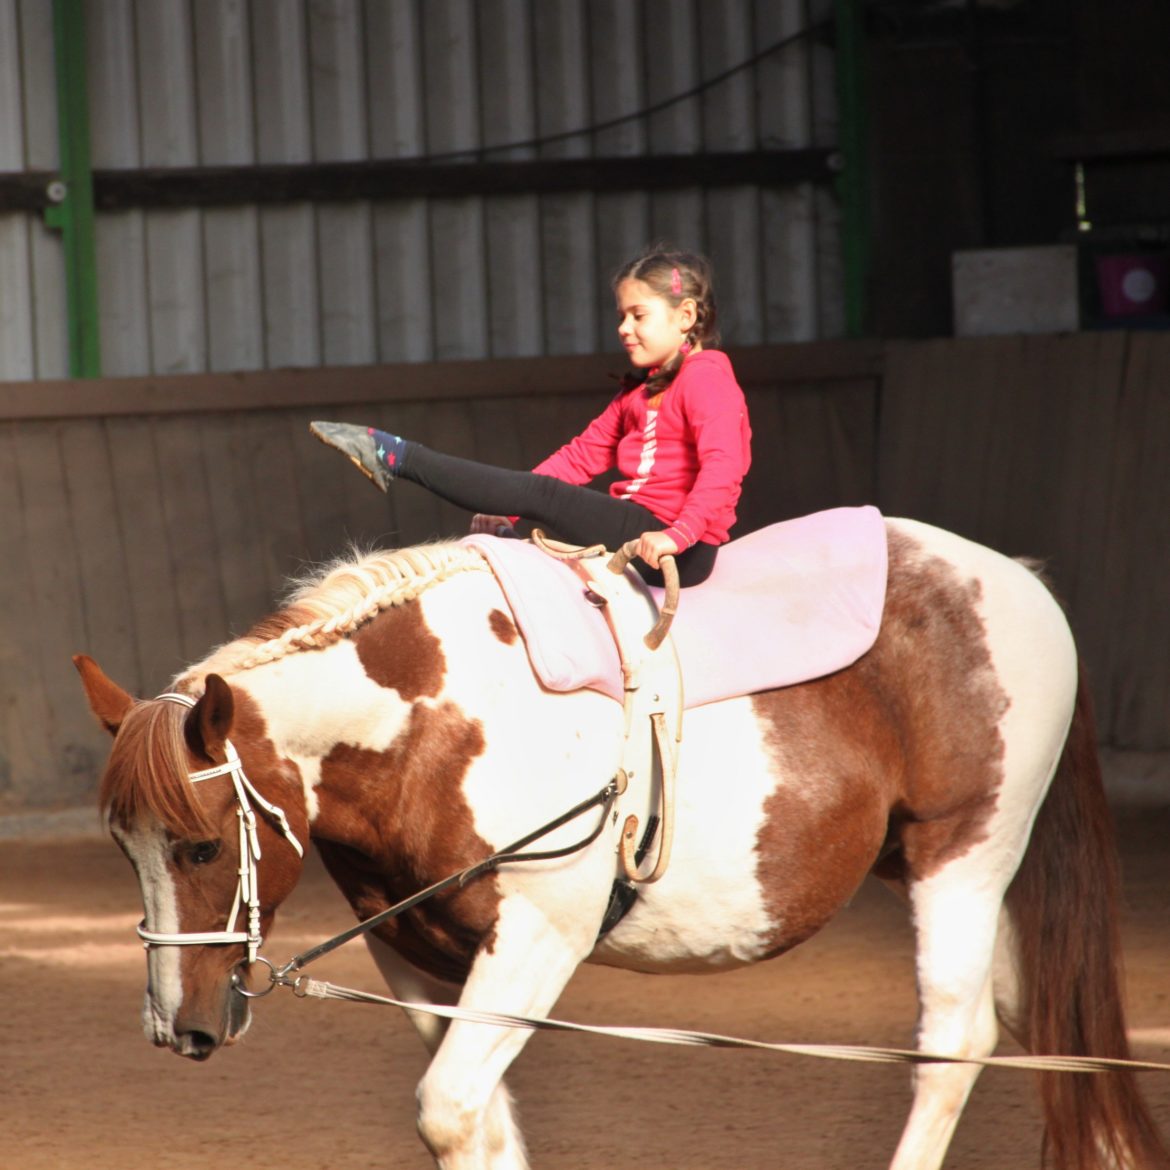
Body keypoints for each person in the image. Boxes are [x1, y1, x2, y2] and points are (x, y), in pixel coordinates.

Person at [310, 247, 751, 587]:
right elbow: (580, 457)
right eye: (621, 316)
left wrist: (679, 535)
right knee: (541, 511)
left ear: (685, 315)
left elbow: (724, 466)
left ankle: (399, 457)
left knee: (546, 496)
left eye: (638, 316)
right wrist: (510, 512)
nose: (623, 328)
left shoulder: (706, 377)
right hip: (638, 526)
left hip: (677, 547)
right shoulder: (638, 390)